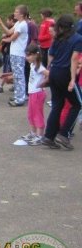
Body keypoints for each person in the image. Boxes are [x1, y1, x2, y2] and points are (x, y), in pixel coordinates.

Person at [41, 14, 82, 149]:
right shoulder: (77, 39)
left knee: (57, 105)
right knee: (77, 104)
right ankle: (64, 134)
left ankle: (49, 136)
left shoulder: (57, 39)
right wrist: (72, 79)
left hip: (54, 72)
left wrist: (48, 74)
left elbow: (50, 55)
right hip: (65, 73)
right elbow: (74, 59)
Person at [0, 5, 29, 107]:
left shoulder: (23, 24)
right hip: (15, 53)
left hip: (19, 54)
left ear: (22, 14)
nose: (14, 13)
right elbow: (9, 32)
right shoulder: (18, 23)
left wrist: (4, 40)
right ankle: (18, 95)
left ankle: (20, 99)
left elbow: (13, 37)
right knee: (17, 76)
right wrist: (1, 23)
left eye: (16, 12)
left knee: (19, 76)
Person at [19, 44, 49, 146]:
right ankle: (33, 133)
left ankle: (40, 136)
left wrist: (44, 83)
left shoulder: (39, 67)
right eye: (26, 55)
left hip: (38, 93)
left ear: (36, 55)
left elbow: (49, 74)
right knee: (30, 114)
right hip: (32, 93)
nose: (27, 58)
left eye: (29, 55)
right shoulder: (32, 65)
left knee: (37, 115)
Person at [0, 14, 16, 94]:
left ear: (12, 21)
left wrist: (5, 38)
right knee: (10, 70)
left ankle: (0, 86)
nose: (6, 22)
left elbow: (11, 36)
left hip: (10, 53)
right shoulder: (10, 28)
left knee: (8, 70)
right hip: (7, 53)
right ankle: (15, 85)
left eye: (8, 20)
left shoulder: (15, 28)